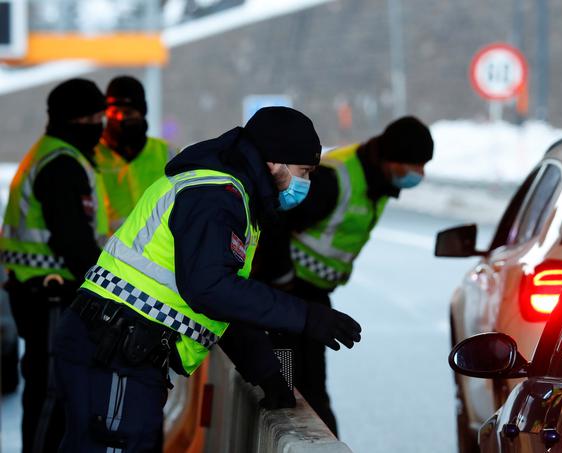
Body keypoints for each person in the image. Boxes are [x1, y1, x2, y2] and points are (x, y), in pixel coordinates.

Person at [52, 106, 362, 452]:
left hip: (122, 351)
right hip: (116, 351)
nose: (307, 183)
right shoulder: (215, 195)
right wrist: (307, 316)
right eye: (304, 171)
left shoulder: (234, 196)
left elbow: (223, 303)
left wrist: (268, 373)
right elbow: (210, 289)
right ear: (274, 162)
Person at [255, 116, 434, 435]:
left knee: (307, 386)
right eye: (414, 166)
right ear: (391, 159)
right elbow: (276, 224)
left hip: (310, 294)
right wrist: (282, 279)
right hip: (287, 294)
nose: (418, 175)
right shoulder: (334, 180)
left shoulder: (377, 179)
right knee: (295, 388)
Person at [0, 78, 108, 453]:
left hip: (40, 293)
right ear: (76, 119)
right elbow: (72, 240)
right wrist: (109, 286)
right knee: (52, 390)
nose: (101, 125)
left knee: (52, 389)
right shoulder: (61, 164)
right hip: (49, 295)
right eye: (95, 116)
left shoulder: (55, 155)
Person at [95, 75, 174, 231]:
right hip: (109, 252)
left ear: (141, 112)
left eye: (129, 112)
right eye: (114, 111)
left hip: (158, 252)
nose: (121, 118)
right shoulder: (93, 157)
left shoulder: (168, 154)